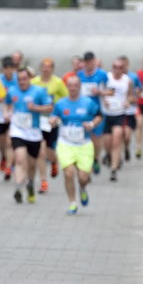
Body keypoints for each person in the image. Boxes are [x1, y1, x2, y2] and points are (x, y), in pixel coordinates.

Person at [50, 75, 102, 215]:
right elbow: (54, 116)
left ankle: (83, 188)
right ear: (67, 87)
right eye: (70, 85)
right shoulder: (60, 104)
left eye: (75, 85)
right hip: (65, 144)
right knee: (68, 173)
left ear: (79, 87)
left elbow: (99, 116)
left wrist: (91, 124)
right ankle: (72, 202)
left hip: (83, 144)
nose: (72, 88)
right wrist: (53, 120)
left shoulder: (88, 103)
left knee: (83, 177)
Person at [4, 68, 53, 204]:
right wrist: (6, 113)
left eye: (24, 79)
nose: (22, 82)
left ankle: (30, 184)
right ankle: (18, 187)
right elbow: (7, 103)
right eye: (19, 79)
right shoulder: (12, 91)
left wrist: (36, 108)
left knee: (31, 165)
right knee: (20, 159)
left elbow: (50, 107)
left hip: (34, 133)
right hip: (17, 130)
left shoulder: (39, 91)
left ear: (29, 79)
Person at [32, 58, 68, 193]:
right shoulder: (34, 82)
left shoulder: (58, 83)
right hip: (38, 121)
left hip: (52, 121)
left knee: (50, 152)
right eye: (44, 67)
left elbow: (66, 99)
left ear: (52, 69)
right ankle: (43, 181)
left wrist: (59, 115)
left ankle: (54, 162)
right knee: (40, 152)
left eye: (49, 67)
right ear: (40, 68)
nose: (46, 69)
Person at [100, 58, 136, 181]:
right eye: (114, 67)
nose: (117, 70)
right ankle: (109, 156)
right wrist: (104, 99)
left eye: (120, 67)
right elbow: (101, 91)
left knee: (117, 141)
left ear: (123, 69)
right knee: (107, 143)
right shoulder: (107, 78)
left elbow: (132, 96)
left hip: (120, 114)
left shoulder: (127, 81)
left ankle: (114, 169)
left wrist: (128, 102)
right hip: (107, 114)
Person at [76, 51, 109, 175]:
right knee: (83, 137)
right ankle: (85, 161)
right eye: (86, 61)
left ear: (94, 61)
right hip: (82, 111)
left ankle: (95, 158)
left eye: (90, 61)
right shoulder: (79, 75)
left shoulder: (102, 75)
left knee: (96, 139)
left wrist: (100, 92)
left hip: (97, 111)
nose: (88, 63)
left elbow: (111, 91)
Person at [0, 56, 18, 180]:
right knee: (2, 142)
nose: (8, 71)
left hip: (14, 115)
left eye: (10, 68)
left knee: (10, 142)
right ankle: (4, 157)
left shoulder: (18, 80)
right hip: (0, 115)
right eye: (6, 68)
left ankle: (9, 166)